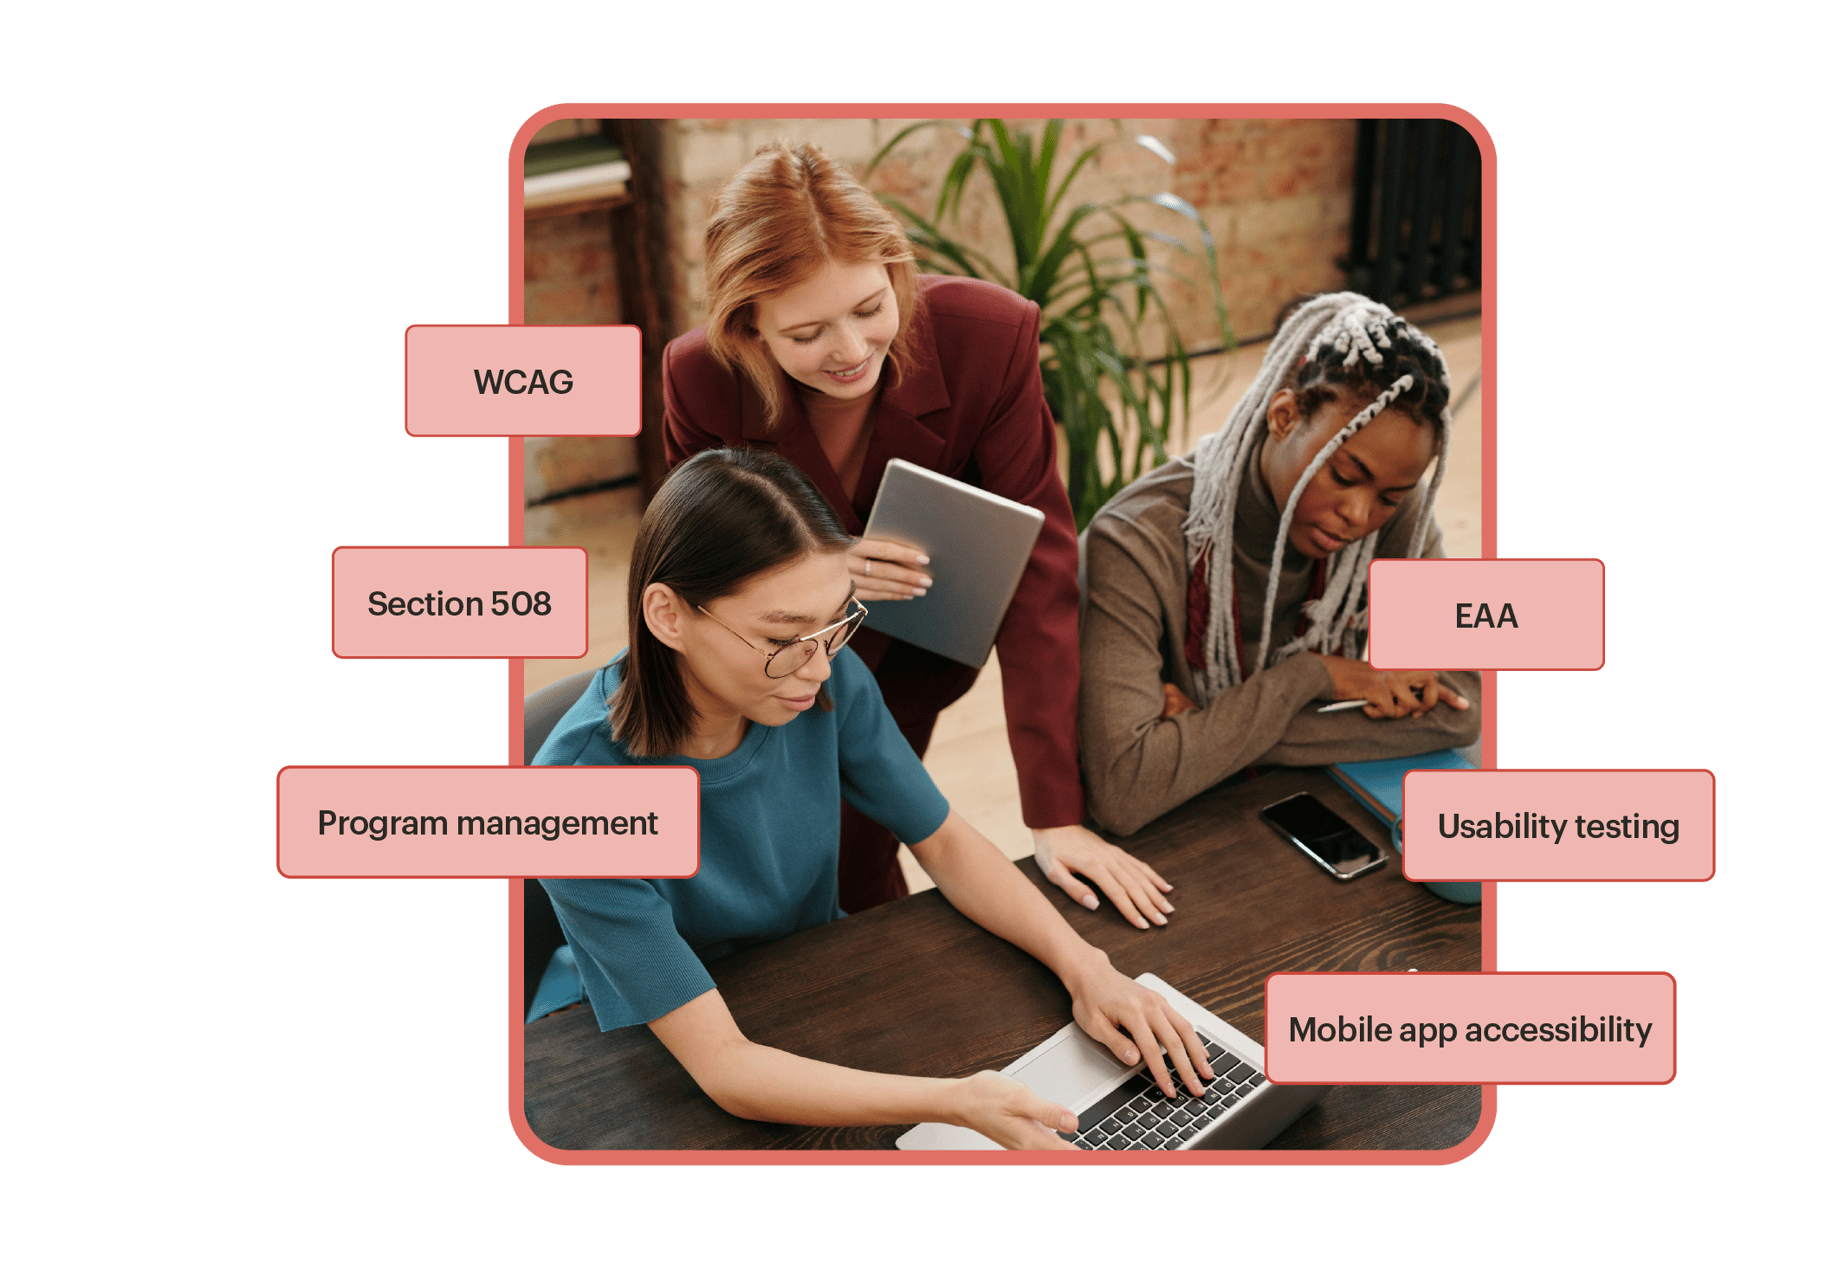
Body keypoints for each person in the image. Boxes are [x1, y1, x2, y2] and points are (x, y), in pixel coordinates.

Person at [534, 448, 1212, 1149]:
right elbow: (725, 1067)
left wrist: (1087, 969)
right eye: (781, 637)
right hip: (664, 1057)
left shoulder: (824, 681)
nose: (820, 664)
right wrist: (960, 1102)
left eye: (835, 624)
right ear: (668, 616)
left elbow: (944, 841)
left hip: (816, 986)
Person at [658, 139, 1170, 929]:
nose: (852, 350)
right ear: (749, 328)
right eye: (807, 334)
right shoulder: (699, 377)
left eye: (870, 308)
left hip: (911, 656)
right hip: (762, 660)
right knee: (755, 868)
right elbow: (695, 563)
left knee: (861, 854)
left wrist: (1054, 814)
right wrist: (823, 567)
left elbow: (1041, 577)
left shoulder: (989, 339)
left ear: (895, 269)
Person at [1078, 292, 1481, 836]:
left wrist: (1203, 723)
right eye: (1343, 475)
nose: (1360, 513)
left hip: (1304, 804)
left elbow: (1460, 709)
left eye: (1388, 496)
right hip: (1168, 844)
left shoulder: (1398, 516)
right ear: (1285, 416)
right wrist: (1317, 677)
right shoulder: (1134, 539)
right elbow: (1126, 788)